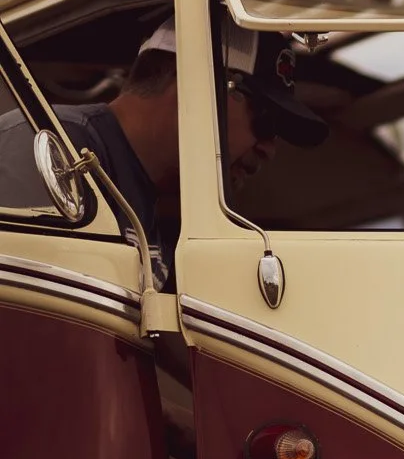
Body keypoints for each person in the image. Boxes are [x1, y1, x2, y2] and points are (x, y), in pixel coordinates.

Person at [0, 18, 327, 283]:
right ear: (191, 85)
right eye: (265, 122)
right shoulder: (52, 145)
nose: (269, 149)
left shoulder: (143, 200)